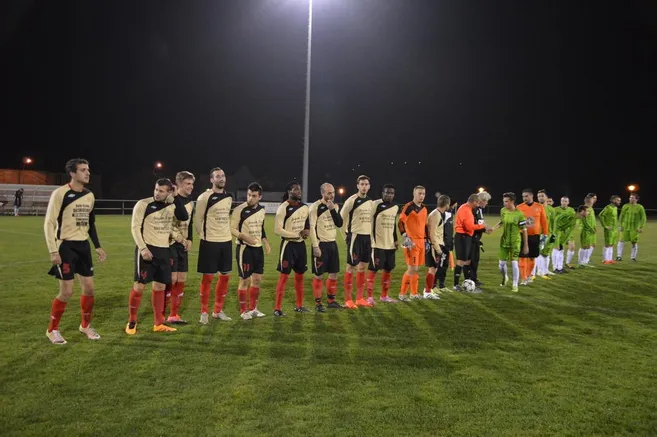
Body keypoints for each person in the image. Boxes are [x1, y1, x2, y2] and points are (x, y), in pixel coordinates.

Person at [44, 158, 106, 344]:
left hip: (83, 247)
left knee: (89, 289)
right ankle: (52, 330)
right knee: (67, 292)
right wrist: (53, 250)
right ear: (72, 173)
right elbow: (49, 223)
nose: (87, 173)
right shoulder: (60, 194)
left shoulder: (89, 195)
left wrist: (97, 246)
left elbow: (91, 223)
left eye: (88, 169)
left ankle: (85, 326)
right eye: (82, 170)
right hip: (66, 247)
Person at [126, 178, 189, 335]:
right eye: (156, 189)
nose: (157, 193)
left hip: (164, 250)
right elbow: (135, 227)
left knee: (160, 287)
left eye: (161, 191)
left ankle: (158, 324)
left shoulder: (171, 205)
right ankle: (132, 321)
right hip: (147, 250)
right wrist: (142, 248)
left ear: (169, 192)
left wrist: (180, 238)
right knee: (139, 286)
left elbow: (183, 216)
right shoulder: (143, 204)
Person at [195, 167, 234, 324]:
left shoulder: (229, 197)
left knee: (225, 277)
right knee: (208, 278)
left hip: (226, 241)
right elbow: (197, 219)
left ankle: (217, 311)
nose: (221, 178)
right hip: (210, 242)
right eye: (217, 176)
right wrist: (202, 236)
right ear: (211, 180)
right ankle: (204, 312)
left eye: (223, 175)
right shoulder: (205, 197)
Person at [230, 182, 271, 319]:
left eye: (254, 196)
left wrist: (265, 242)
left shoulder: (262, 210)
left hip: (257, 249)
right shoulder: (239, 210)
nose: (250, 198)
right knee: (244, 280)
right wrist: (244, 237)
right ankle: (243, 311)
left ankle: (253, 308)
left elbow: (261, 228)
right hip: (244, 248)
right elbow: (232, 229)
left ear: (260, 197)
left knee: (257, 279)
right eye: (249, 195)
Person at [273, 181, 310, 316]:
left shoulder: (305, 207)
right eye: (295, 189)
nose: (299, 192)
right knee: (284, 277)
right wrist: (295, 235)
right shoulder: (283, 208)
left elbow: (307, 225)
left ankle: (299, 305)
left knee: (300, 276)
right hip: (288, 246)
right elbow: (277, 230)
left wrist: (306, 231)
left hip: (301, 246)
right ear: (289, 191)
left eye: (299, 189)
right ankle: (277, 309)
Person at [165, 171, 196, 324]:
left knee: (182, 278)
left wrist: (190, 239)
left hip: (183, 244)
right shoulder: (170, 201)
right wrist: (177, 237)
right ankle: (162, 313)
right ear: (179, 185)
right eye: (188, 184)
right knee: (172, 278)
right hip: (170, 243)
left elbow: (189, 223)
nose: (191, 187)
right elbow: (165, 223)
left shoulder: (191, 203)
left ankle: (174, 315)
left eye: (192, 184)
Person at [308, 182, 344, 312]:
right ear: (322, 193)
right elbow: (311, 227)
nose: (332, 195)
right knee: (319, 275)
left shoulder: (334, 206)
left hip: (332, 243)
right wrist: (315, 246)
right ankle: (318, 304)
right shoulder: (314, 208)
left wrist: (332, 209)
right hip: (321, 244)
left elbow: (339, 223)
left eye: (333, 192)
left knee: (333, 273)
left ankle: (331, 301)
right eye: (329, 193)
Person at [340, 175, 374, 308]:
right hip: (355, 237)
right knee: (351, 267)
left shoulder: (370, 202)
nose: (364, 186)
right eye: (362, 184)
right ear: (357, 186)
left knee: (363, 267)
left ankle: (360, 298)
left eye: (366, 184)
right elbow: (340, 219)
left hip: (367, 238)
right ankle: (348, 300)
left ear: (369, 186)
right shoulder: (351, 200)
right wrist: (345, 235)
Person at [368, 184, 399, 303]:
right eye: (387, 192)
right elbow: (369, 222)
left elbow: (393, 224)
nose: (389, 195)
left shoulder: (395, 207)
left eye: (391, 193)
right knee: (373, 270)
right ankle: (370, 297)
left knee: (388, 270)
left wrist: (395, 240)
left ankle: (384, 296)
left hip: (390, 245)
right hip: (377, 244)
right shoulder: (375, 204)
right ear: (382, 193)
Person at [492, 192, 528, 292]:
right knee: (501, 264)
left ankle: (515, 284)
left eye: (506, 201)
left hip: (515, 242)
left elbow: (524, 230)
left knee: (514, 263)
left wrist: (525, 245)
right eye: (504, 201)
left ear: (512, 201)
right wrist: (494, 228)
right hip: (504, 241)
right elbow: (501, 222)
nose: (504, 204)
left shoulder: (520, 214)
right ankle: (505, 277)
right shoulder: (503, 210)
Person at [398, 186, 429, 300]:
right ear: (414, 194)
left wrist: (427, 240)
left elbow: (425, 226)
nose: (421, 196)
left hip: (421, 241)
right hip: (411, 241)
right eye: (419, 193)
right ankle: (402, 294)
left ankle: (414, 293)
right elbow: (400, 222)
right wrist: (405, 236)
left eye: (423, 193)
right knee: (412, 269)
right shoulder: (408, 206)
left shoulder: (425, 208)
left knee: (416, 269)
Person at [453, 194, 488, 291]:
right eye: (477, 202)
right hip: (462, 237)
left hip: (465, 237)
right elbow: (470, 227)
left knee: (467, 260)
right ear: (473, 201)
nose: (477, 205)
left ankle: (468, 281)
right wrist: (482, 226)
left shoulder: (465, 208)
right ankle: (455, 284)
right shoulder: (466, 210)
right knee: (461, 261)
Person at [517, 188, 548, 285]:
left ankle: (529, 274)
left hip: (535, 236)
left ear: (531, 196)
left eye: (526, 196)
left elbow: (544, 222)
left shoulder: (539, 207)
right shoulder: (519, 207)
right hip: (522, 235)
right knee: (522, 257)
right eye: (523, 196)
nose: (524, 198)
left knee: (531, 257)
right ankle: (523, 278)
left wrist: (545, 234)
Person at [424, 194, 451, 298]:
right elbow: (432, 233)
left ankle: (428, 290)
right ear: (447, 205)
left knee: (434, 269)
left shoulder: (438, 213)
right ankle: (427, 292)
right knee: (432, 269)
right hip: (434, 246)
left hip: (436, 244)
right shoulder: (436, 215)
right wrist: (437, 248)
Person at [551, 205, 589, 273]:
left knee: (561, 250)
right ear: (582, 211)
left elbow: (569, 230)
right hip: (557, 232)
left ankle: (559, 268)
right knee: (556, 249)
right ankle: (555, 268)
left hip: (562, 235)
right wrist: (556, 231)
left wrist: (565, 239)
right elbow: (557, 218)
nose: (588, 213)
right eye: (587, 211)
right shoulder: (570, 214)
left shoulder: (576, 219)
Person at [617, 193, 647, 262]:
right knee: (621, 241)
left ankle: (633, 257)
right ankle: (619, 256)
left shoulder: (640, 207)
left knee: (634, 242)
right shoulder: (625, 206)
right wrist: (620, 225)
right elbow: (621, 216)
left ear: (636, 199)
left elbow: (643, 218)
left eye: (632, 198)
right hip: (625, 227)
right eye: (630, 197)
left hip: (635, 228)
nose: (630, 199)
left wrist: (641, 227)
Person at [470, 190, 491, 287]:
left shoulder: (479, 210)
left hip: (476, 237)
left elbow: (481, 221)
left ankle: (473, 278)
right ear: (481, 200)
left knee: (475, 260)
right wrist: (485, 229)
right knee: (472, 260)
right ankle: (470, 279)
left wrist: (486, 228)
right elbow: (477, 223)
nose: (487, 203)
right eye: (486, 201)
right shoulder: (475, 209)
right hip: (472, 237)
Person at [536, 189, 556, 278]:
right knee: (540, 252)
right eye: (539, 196)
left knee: (547, 253)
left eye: (542, 196)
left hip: (549, 234)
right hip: (540, 234)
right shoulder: (536, 208)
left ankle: (546, 270)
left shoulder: (551, 209)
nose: (540, 198)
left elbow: (553, 223)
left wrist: (554, 235)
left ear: (546, 197)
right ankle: (540, 271)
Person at [598, 195, 621, 264]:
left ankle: (610, 259)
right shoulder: (608, 208)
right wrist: (605, 226)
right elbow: (600, 215)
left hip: (614, 229)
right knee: (607, 244)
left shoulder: (615, 208)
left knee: (612, 244)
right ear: (613, 200)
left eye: (619, 200)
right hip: (609, 229)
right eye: (618, 200)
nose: (619, 202)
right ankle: (605, 260)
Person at [577, 194, 597, 267]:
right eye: (593, 199)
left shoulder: (591, 209)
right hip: (586, 230)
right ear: (588, 200)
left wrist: (594, 227)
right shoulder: (584, 209)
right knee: (584, 246)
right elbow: (584, 221)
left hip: (591, 230)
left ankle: (586, 261)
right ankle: (580, 262)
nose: (594, 200)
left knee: (592, 245)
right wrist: (591, 229)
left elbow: (593, 220)